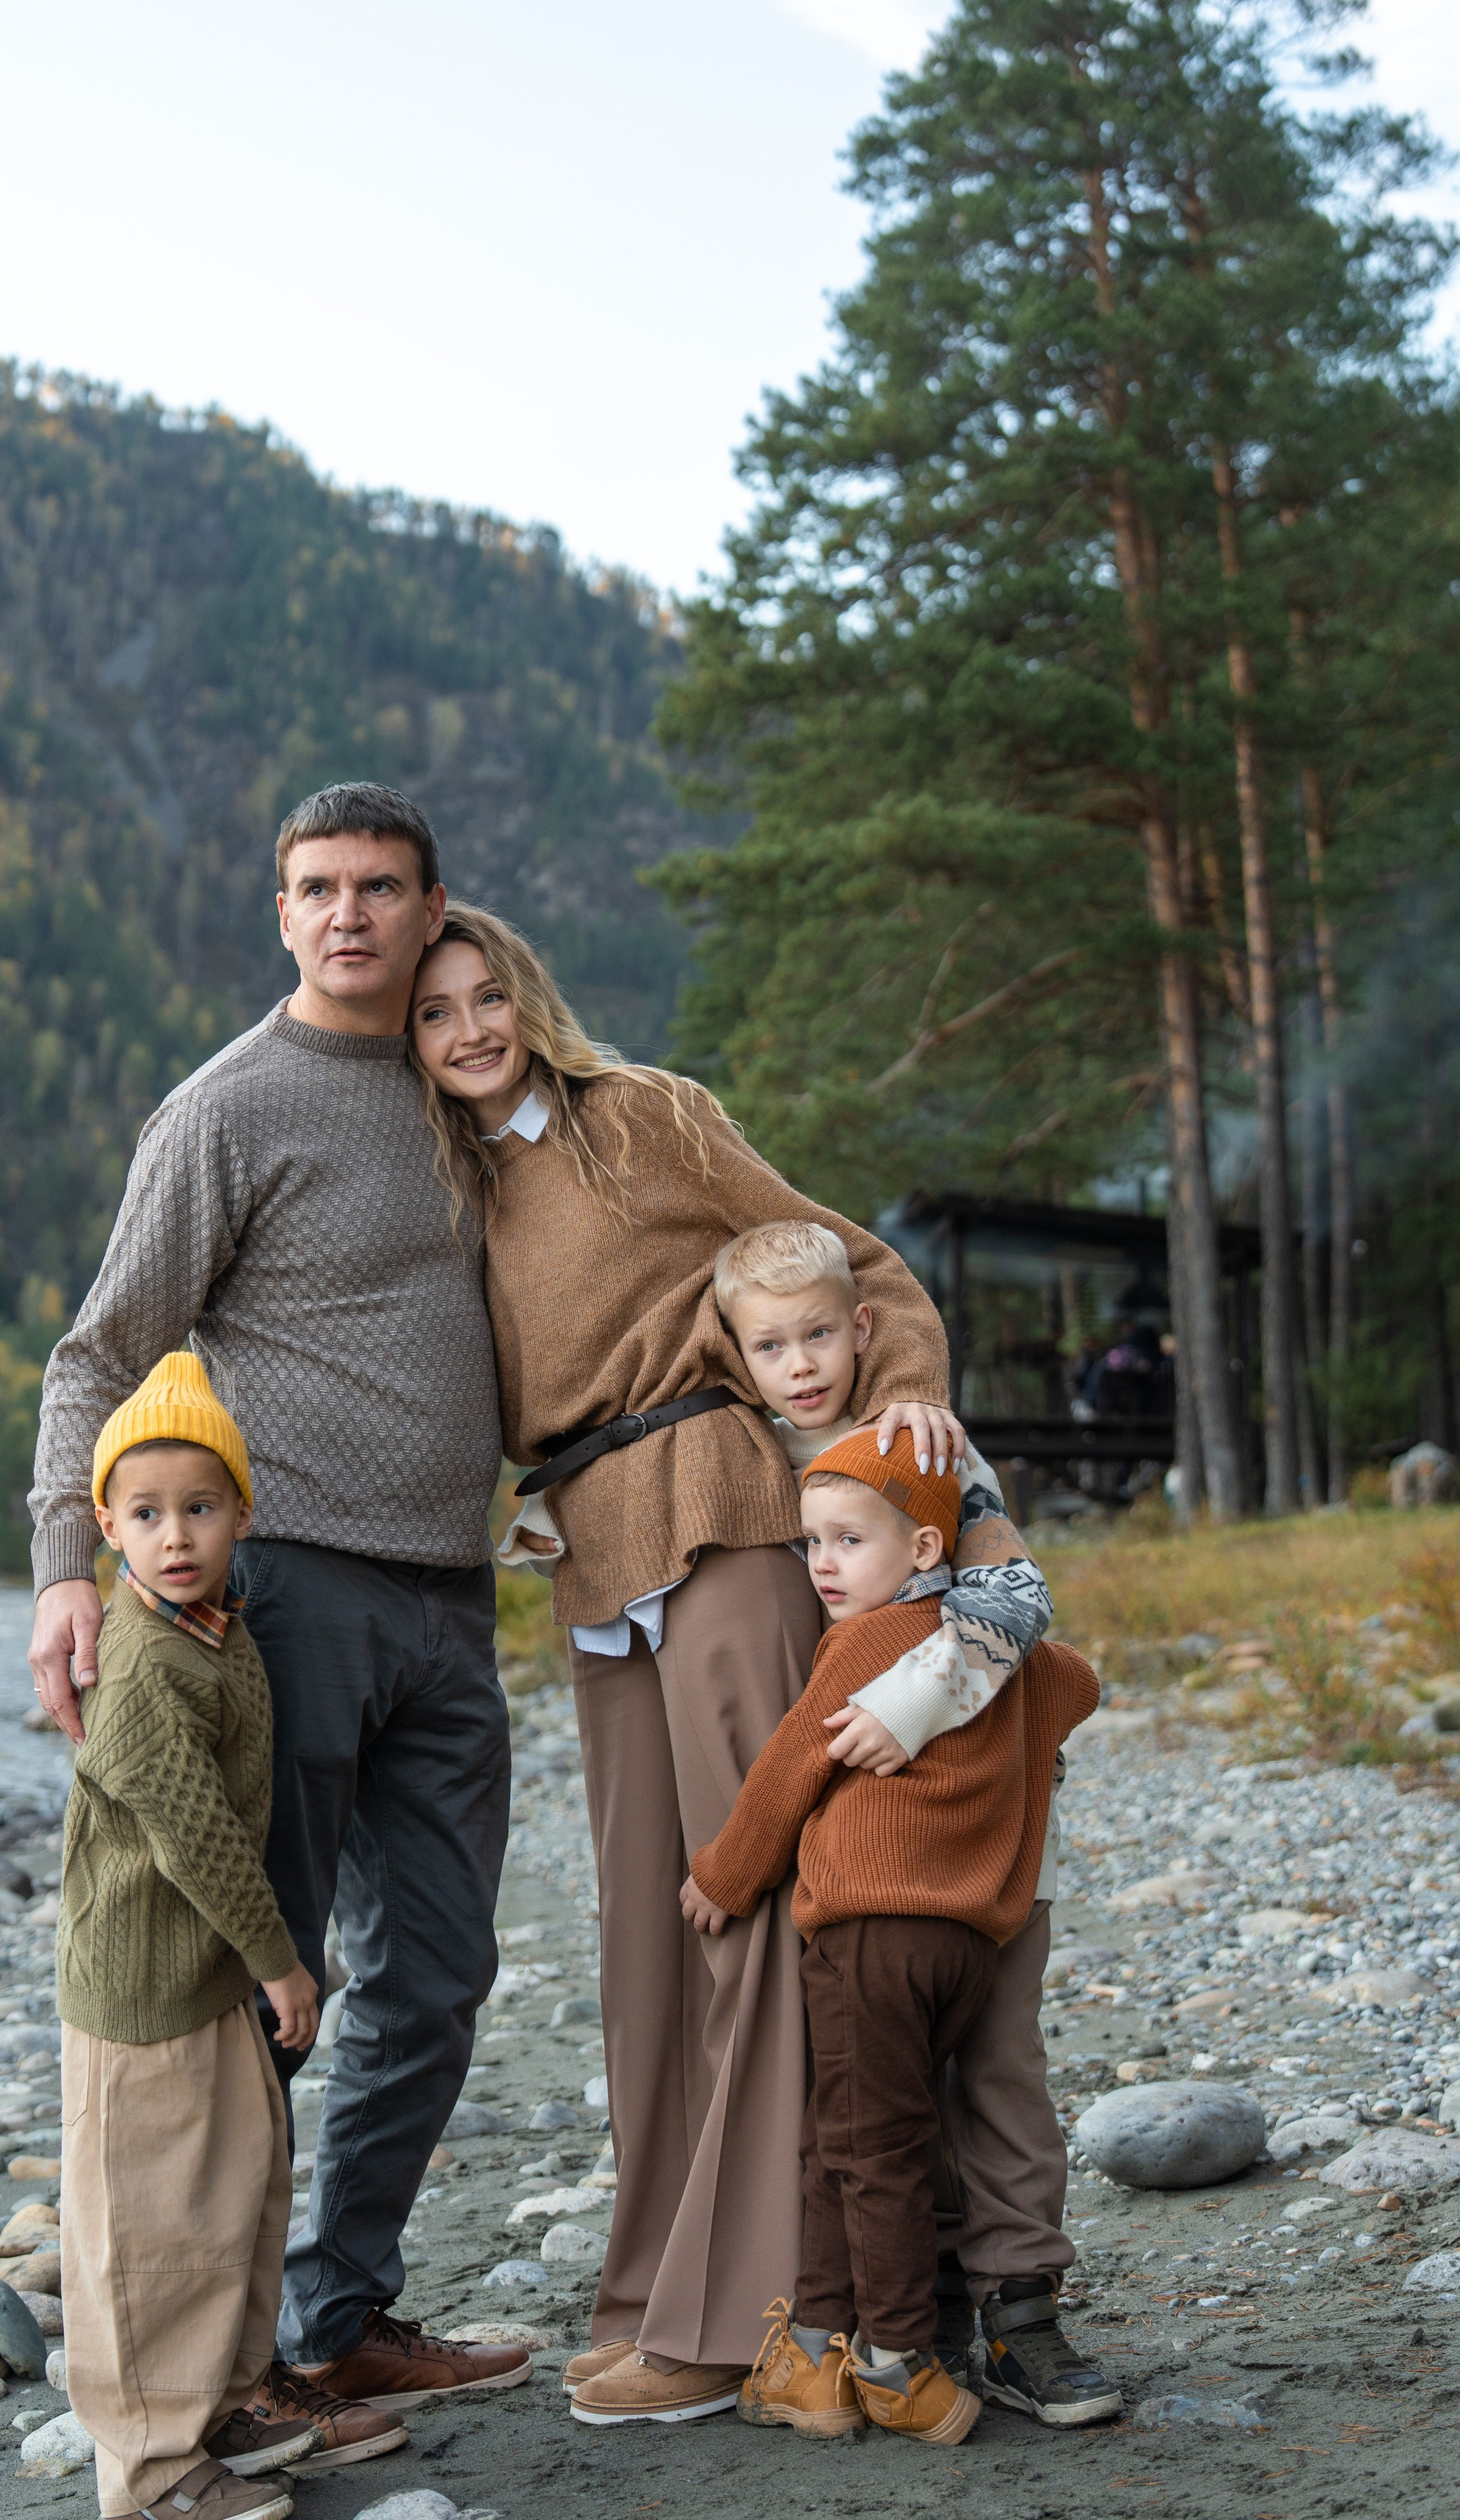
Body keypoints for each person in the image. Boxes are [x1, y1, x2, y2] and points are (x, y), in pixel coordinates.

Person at [408, 904, 980, 2429]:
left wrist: (907, 1401)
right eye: (430, 1011)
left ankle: (761, 2315)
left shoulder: (641, 1117)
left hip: (718, 1511)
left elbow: (848, 1258)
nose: (467, 1028)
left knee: (759, 1905)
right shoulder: (440, 1182)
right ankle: (653, 2292)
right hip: (590, 1549)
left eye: (486, 996)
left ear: (525, 996)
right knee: (649, 1939)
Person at [29, 782, 532, 2405]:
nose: (348, 916)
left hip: (454, 1596)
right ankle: (220, 2366)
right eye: (315, 889)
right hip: (296, 1593)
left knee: (440, 1972)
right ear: (280, 914)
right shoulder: (228, 1109)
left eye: (379, 887)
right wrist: (63, 1566)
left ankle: (341, 2318)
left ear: (429, 904)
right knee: (272, 1981)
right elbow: (104, 1352)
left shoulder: (459, 1076)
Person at [710, 1219, 1124, 2425]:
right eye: (771, 1343)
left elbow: (1023, 1601)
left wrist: (912, 1700)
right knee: (879, 2098)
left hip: (984, 1840)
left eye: (819, 1335)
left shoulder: (924, 1444)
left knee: (1001, 2074)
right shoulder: (734, 1454)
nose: (800, 1362)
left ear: (864, 1329)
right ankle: (900, 2319)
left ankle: (1022, 2313)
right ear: (739, 1354)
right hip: (870, 1866)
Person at [58, 1353, 410, 2520]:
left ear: (241, 1516)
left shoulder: (212, 1627)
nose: (174, 1535)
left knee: (238, 2188)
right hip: (145, 1987)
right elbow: (194, 1837)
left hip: (204, 1975)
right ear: (106, 1525)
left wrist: (252, 1964)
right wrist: (281, 1961)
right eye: (147, 1514)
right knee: (152, 2222)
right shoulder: (145, 1661)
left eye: (199, 1509)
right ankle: (151, 2471)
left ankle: (227, 2405)